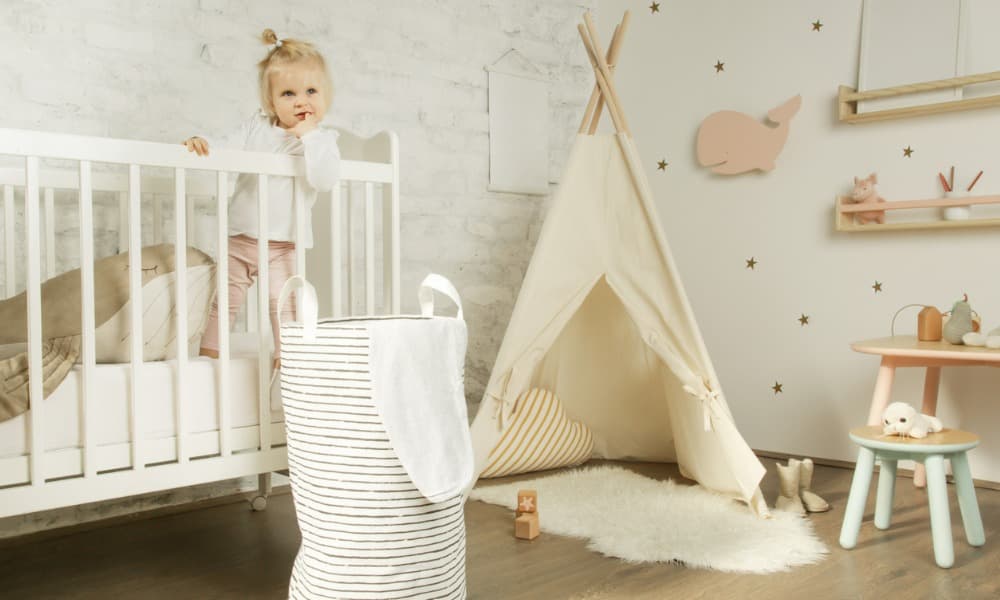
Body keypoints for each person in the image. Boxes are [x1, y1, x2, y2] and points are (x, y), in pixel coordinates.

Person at [184, 28, 341, 369]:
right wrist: (205, 143)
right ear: (271, 102)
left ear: (326, 97)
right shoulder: (257, 127)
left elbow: (325, 179)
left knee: (284, 304)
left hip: (284, 244)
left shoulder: (322, 141)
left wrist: (310, 137)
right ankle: (207, 360)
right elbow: (227, 145)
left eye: (311, 91)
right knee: (223, 301)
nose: (301, 101)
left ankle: (287, 362)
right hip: (240, 236)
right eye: (288, 93)